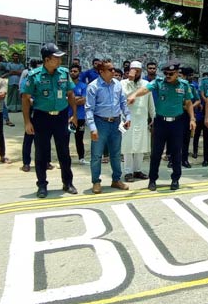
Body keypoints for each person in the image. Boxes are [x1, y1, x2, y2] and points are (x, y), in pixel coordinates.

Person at [22, 43, 78, 198]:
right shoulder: (34, 76)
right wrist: (27, 121)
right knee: (41, 152)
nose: (60, 61)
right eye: (56, 58)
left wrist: (73, 115)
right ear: (47, 59)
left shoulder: (64, 73)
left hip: (61, 117)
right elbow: (26, 99)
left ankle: (68, 183)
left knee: (64, 152)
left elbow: (71, 95)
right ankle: (42, 185)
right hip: (42, 117)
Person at [128, 61, 195, 191]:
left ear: (177, 73)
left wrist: (192, 119)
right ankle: (152, 180)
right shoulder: (159, 82)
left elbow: (188, 102)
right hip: (160, 123)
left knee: (176, 152)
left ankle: (175, 179)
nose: (168, 76)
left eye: (171, 73)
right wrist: (134, 94)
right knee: (156, 153)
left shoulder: (184, 85)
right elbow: (146, 89)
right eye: (166, 73)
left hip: (177, 123)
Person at [85, 59, 131, 194]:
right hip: (100, 123)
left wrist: (127, 117)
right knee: (97, 155)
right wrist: (93, 128)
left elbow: (123, 102)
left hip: (116, 123)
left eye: (114, 69)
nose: (114, 72)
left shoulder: (117, 84)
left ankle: (116, 180)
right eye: (110, 70)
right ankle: (96, 182)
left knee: (116, 154)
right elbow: (89, 109)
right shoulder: (93, 87)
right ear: (101, 71)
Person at [120, 61, 154, 181]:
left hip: (141, 119)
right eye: (133, 70)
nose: (135, 73)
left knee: (141, 146)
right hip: (127, 119)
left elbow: (151, 102)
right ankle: (128, 172)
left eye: (137, 71)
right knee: (128, 147)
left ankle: (137, 170)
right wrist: (130, 80)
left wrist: (153, 117)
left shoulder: (146, 84)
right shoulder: (123, 83)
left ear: (141, 72)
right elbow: (125, 97)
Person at [178, 67, 200, 168]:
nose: (178, 77)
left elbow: (198, 100)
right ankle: (173, 160)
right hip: (176, 114)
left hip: (187, 115)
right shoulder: (173, 85)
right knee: (175, 139)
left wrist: (190, 107)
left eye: (180, 75)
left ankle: (184, 160)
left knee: (186, 139)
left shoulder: (191, 87)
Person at [69, 65, 88, 165]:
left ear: (79, 73)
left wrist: (71, 100)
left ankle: (81, 158)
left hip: (80, 116)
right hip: (67, 116)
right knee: (65, 139)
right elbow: (64, 100)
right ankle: (64, 159)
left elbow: (83, 100)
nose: (73, 72)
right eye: (71, 71)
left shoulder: (83, 86)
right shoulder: (66, 85)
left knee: (79, 138)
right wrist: (76, 99)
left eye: (75, 71)